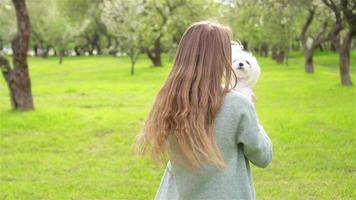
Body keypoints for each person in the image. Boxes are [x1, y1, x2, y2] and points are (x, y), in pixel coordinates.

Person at [136, 21, 272, 200]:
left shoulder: (169, 101)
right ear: (220, 58)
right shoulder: (238, 104)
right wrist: (252, 110)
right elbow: (263, 156)